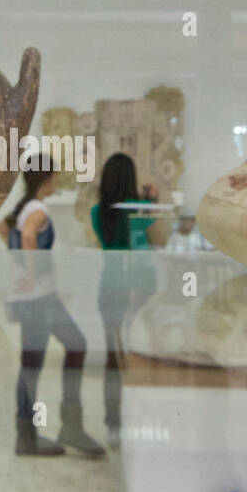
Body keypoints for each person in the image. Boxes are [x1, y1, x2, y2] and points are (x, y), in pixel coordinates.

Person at [0, 158, 105, 459]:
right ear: (46, 178)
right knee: (67, 348)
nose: (56, 182)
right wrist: (31, 273)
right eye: (54, 177)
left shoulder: (24, 207)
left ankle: (33, 434)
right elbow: (28, 237)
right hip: (39, 299)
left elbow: (2, 229)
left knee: (37, 361)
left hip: (36, 299)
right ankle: (51, 431)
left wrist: (19, 265)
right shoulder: (38, 210)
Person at [90, 153, 162, 448]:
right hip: (140, 288)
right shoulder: (138, 210)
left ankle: (113, 424)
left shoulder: (97, 212)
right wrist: (152, 199)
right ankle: (142, 419)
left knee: (113, 359)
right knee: (141, 355)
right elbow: (154, 226)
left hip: (109, 288)